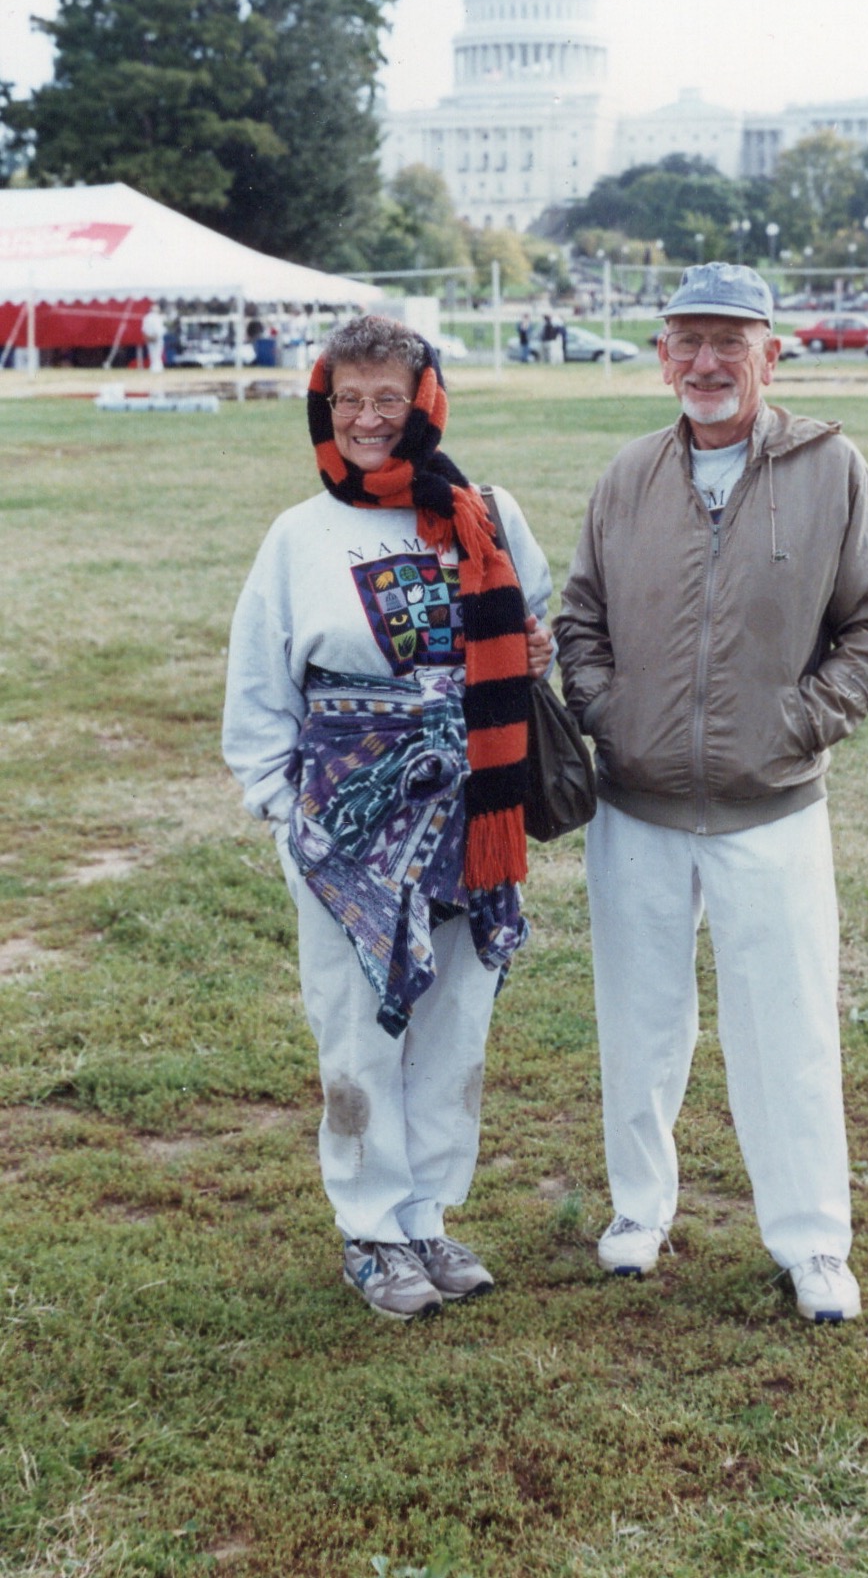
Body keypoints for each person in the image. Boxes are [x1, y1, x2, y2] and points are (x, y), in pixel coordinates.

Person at [554, 262, 868, 1323]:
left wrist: (793, 725)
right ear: (660, 354)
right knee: (638, 1019)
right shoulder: (625, 476)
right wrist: (608, 711)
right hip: (638, 807)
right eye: (686, 342)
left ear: (769, 351)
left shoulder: (829, 467)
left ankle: (810, 1240)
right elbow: (579, 620)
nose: (705, 363)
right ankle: (636, 1211)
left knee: (786, 1026)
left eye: (729, 342)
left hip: (772, 809)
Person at [223, 314, 553, 1321]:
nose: (368, 418)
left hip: (468, 815)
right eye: (348, 399)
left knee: (454, 1018)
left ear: (426, 401)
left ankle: (425, 1216)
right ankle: (369, 1228)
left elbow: (537, 622)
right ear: (326, 404)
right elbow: (259, 689)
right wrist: (286, 813)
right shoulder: (299, 536)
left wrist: (528, 651)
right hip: (346, 832)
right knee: (360, 1027)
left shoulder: (484, 515)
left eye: (388, 398)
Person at [141, 302, 165, 372]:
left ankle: (157, 367)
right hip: (153, 337)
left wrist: (149, 336)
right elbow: (145, 329)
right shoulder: (151, 317)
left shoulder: (155, 317)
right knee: (155, 353)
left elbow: (145, 329)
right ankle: (156, 367)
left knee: (155, 353)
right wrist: (150, 336)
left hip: (155, 337)